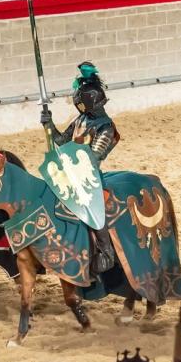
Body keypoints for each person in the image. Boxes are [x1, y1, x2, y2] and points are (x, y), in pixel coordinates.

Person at [41, 61, 119, 274]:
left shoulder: (106, 127)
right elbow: (61, 140)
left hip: (88, 179)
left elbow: (93, 157)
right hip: (69, 174)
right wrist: (49, 125)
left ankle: (106, 252)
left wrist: (71, 163)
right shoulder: (81, 119)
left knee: (90, 205)